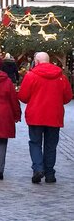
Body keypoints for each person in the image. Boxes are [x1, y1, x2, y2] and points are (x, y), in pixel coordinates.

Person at [17, 51, 73, 184]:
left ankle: (38, 168)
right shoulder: (61, 76)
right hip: (54, 115)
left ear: (36, 62)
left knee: (35, 143)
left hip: (36, 115)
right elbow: (67, 97)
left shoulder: (31, 76)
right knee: (51, 145)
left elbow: (23, 97)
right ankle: (49, 173)